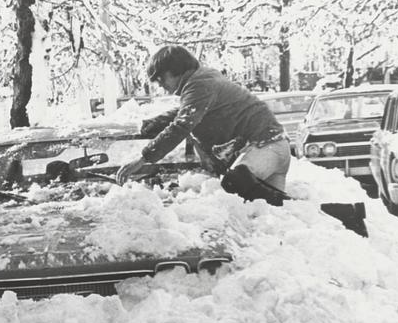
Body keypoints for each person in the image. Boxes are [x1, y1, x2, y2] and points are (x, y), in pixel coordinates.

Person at [116, 45, 290, 205]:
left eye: (161, 78)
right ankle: (295, 208)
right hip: (271, 147)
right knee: (268, 214)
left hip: (265, 146)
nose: (160, 84)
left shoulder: (199, 84)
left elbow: (182, 125)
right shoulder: (203, 80)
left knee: (234, 183)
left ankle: (305, 208)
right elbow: (185, 113)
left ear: (175, 69)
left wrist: (143, 158)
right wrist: (153, 123)